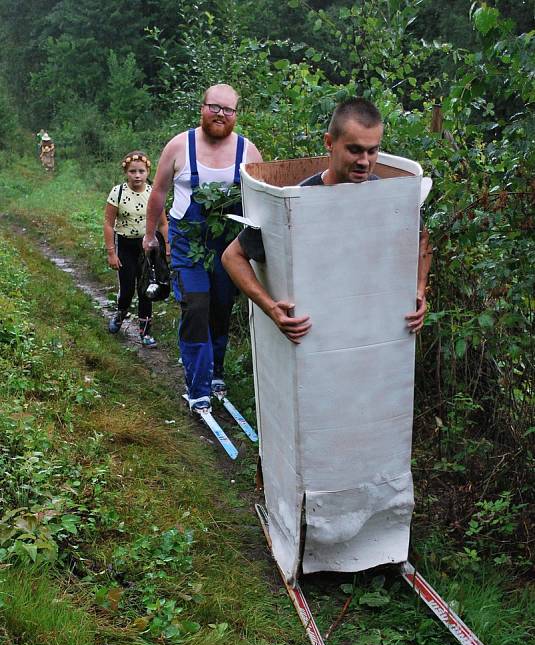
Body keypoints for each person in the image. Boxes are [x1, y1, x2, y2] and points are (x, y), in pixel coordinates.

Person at [222, 97, 432, 342]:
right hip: (315, 343)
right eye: (354, 149)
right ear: (330, 143)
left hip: (374, 340)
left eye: (372, 150)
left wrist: (419, 289)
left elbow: (422, 240)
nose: (364, 161)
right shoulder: (298, 203)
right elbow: (232, 257)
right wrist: (271, 308)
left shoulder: (387, 197)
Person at [143, 83, 262, 413]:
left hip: (229, 248)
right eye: (215, 107)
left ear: (236, 114)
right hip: (187, 243)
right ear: (202, 108)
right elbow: (158, 193)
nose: (221, 115)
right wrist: (151, 235)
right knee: (196, 307)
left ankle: (216, 373)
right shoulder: (179, 146)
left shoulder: (248, 152)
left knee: (221, 309)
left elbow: (263, 200)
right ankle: (197, 385)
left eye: (228, 110)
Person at [104, 151, 170, 347]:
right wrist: (111, 253)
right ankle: (120, 314)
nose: (137, 175)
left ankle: (145, 332)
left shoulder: (153, 193)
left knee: (145, 290)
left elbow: (163, 223)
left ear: (148, 171)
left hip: (146, 247)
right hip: (125, 245)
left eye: (141, 171)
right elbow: (108, 223)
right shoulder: (118, 192)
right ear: (126, 172)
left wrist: (167, 247)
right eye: (132, 171)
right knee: (126, 289)